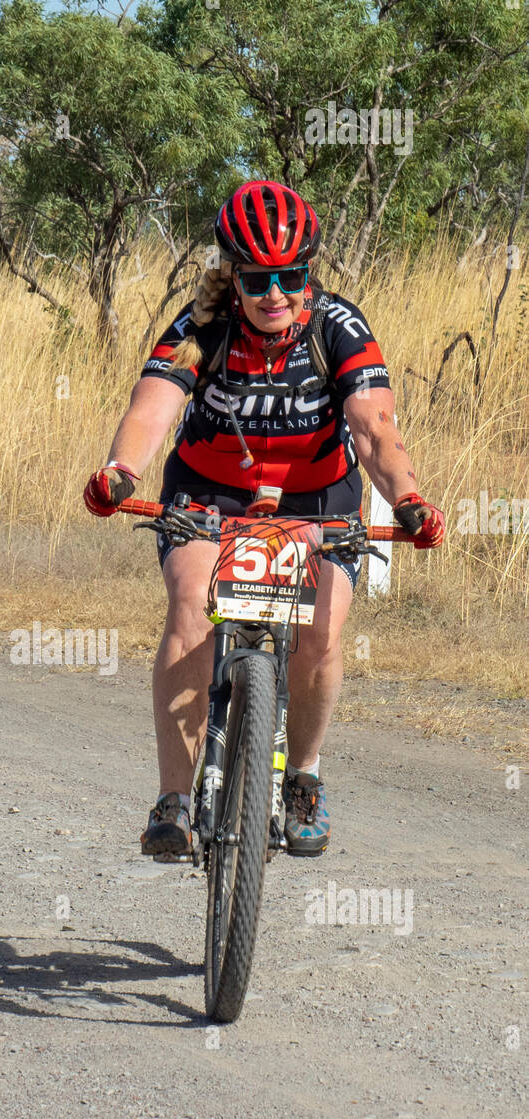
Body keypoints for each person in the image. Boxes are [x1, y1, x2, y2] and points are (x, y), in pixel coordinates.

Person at [83, 179, 445, 859]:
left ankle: (303, 777)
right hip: (209, 494)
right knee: (192, 605)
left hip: (317, 501)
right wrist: (120, 472)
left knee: (321, 632)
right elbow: (152, 409)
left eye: (293, 276)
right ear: (234, 276)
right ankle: (175, 800)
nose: (276, 293)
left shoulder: (339, 327)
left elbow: (373, 431)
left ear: (310, 275)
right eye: (258, 280)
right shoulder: (201, 327)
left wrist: (409, 500)